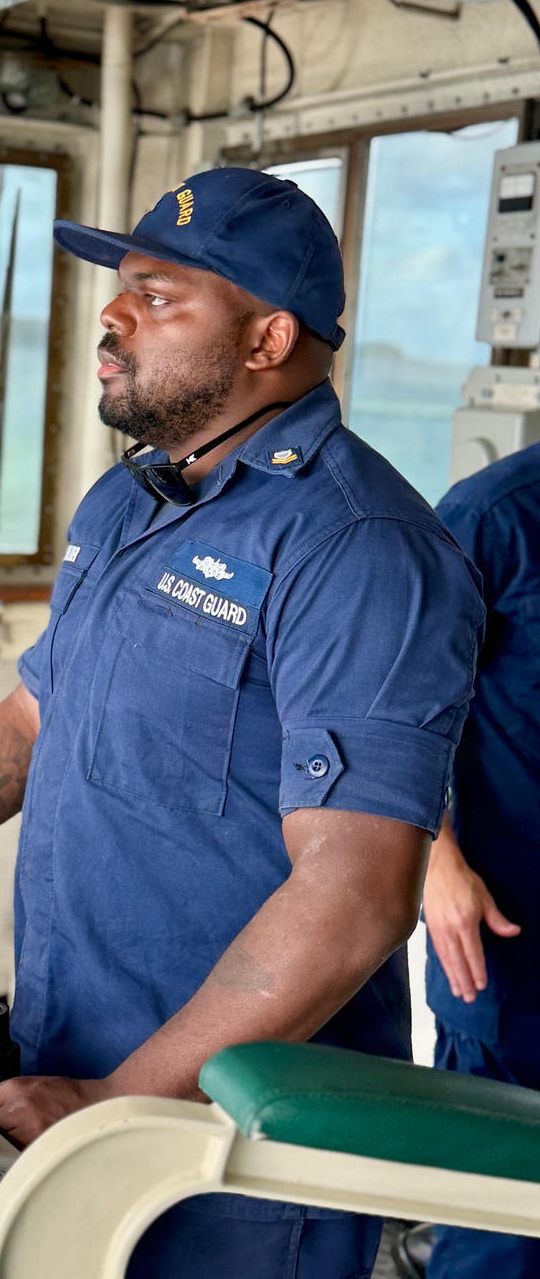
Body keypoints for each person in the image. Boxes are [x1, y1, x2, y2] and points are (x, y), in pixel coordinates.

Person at [0, 167, 485, 1279]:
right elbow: (35, 716)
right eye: (122, 286)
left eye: (159, 296)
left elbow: (355, 897)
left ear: (269, 337)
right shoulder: (130, 499)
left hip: (227, 1144)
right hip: (73, 1060)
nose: (114, 314)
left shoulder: (361, 550)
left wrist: (121, 1103)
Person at [420, 442, 540, 1279]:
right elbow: (385, 701)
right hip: (512, 932)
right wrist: (435, 861)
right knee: (499, 1227)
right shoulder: (494, 515)